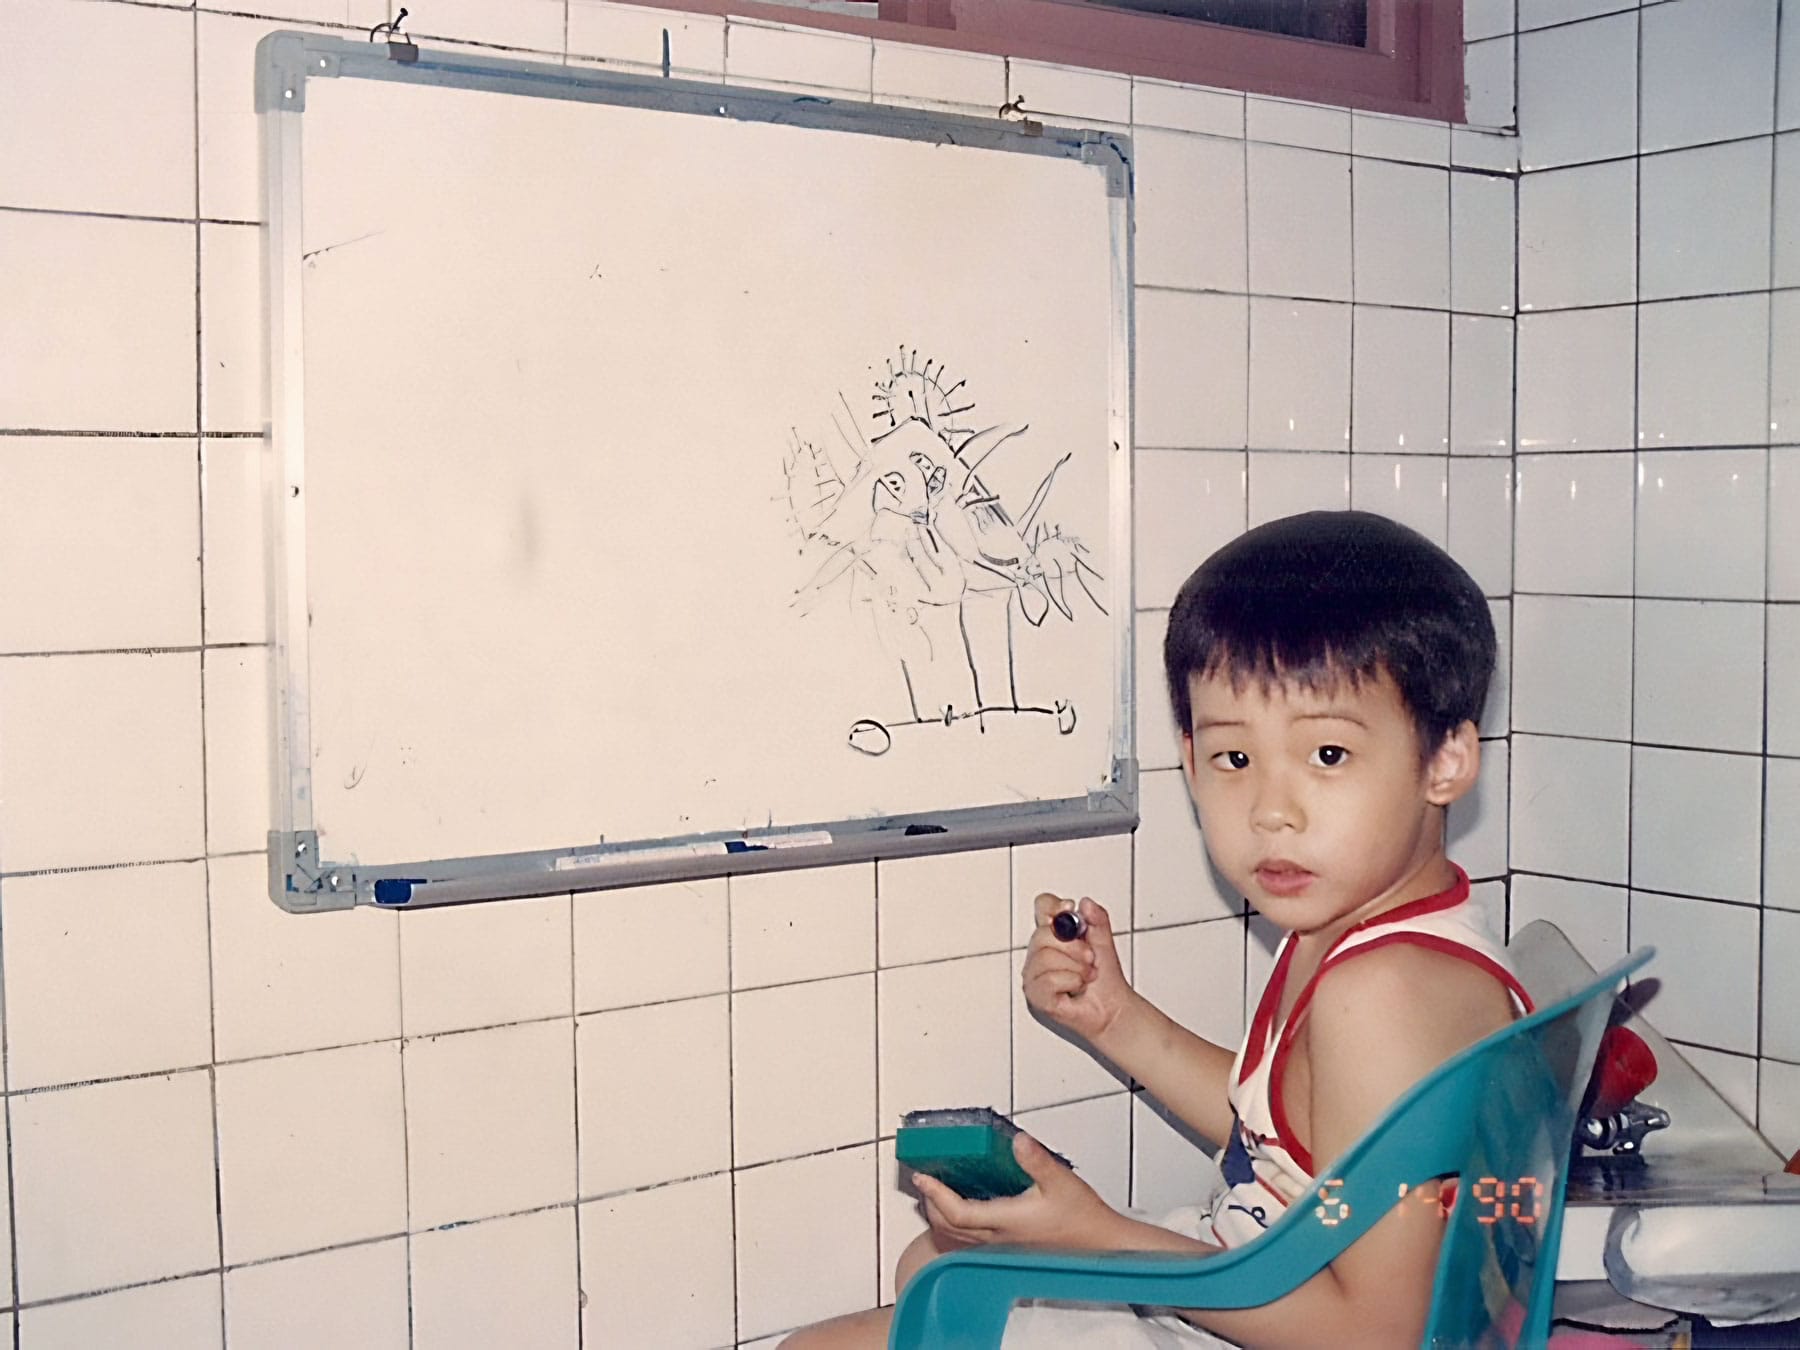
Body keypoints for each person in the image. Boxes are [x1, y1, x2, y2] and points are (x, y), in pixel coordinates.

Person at [783, 510, 1530, 1348]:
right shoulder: (1373, 928)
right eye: (1234, 759)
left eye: (1327, 756)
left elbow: (1380, 1336)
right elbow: (1298, 1138)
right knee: (935, 1263)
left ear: (1446, 760)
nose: (1271, 812)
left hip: (1286, 1316)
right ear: (1189, 757)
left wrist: (1094, 1234)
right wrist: (1117, 1020)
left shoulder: (1384, 992)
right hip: (1269, 1260)